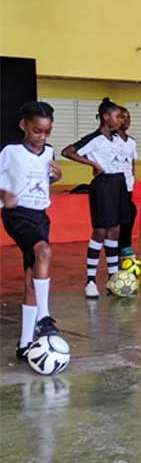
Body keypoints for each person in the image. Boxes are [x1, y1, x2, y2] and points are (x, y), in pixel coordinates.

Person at [0, 101, 63, 359]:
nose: (42, 137)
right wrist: (4, 194)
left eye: (47, 131)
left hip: (40, 217)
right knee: (44, 251)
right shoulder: (10, 152)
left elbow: (41, 180)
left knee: (31, 280)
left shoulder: (49, 152)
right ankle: (44, 316)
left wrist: (55, 179)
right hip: (17, 215)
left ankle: (24, 344)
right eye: (37, 131)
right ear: (23, 125)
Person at [61, 97, 126, 299]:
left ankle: (113, 278)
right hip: (103, 185)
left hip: (118, 184)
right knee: (100, 230)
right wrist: (94, 165)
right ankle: (90, 280)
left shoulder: (117, 139)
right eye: (117, 116)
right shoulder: (94, 138)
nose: (120, 120)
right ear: (106, 117)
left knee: (115, 229)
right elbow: (67, 151)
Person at [115, 106, 139, 263]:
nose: (126, 121)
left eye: (128, 117)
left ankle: (125, 245)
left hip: (128, 184)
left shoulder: (131, 142)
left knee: (130, 212)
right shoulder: (111, 140)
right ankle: (119, 247)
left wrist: (133, 176)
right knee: (120, 216)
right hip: (115, 184)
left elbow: (132, 162)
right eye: (123, 117)